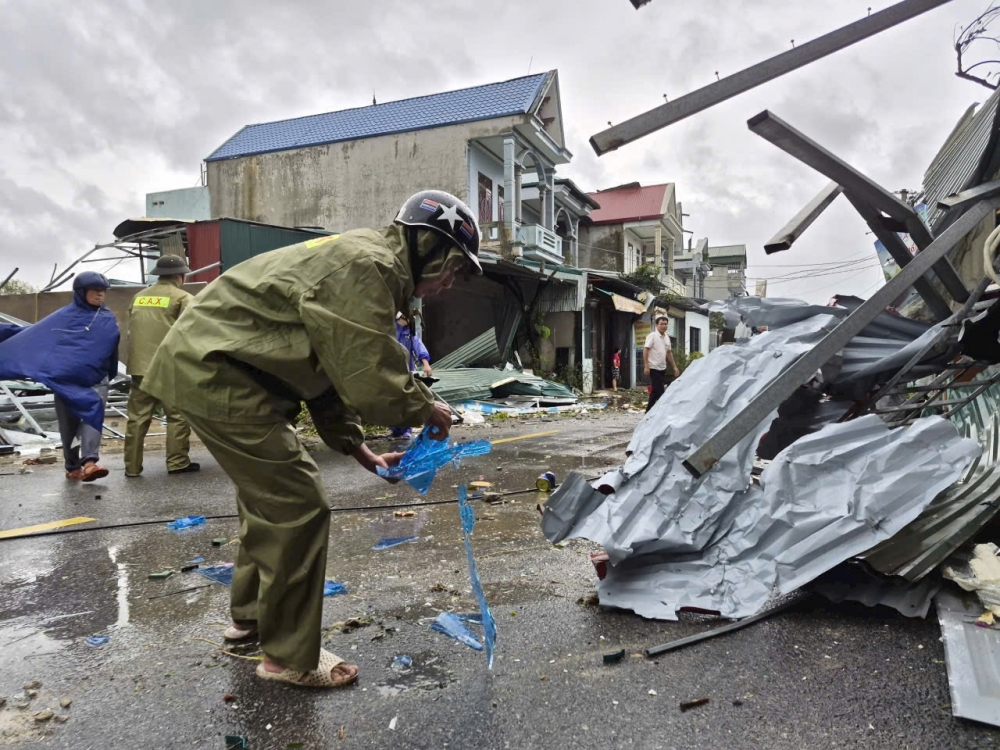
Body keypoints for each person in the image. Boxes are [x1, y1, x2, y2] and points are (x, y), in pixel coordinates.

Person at [141, 189, 481, 689]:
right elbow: (369, 375)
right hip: (220, 373)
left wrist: (358, 450)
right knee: (298, 503)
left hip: (216, 369)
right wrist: (424, 407)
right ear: (429, 247)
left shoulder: (365, 260)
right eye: (452, 268)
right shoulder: (371, 267)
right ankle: (287, 658)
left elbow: (329, 372)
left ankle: (250, 620)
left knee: (270, 500)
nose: (450, 283)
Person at [0, 272, 119, 481]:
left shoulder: (107, 318)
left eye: (103, 292)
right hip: (66, 381)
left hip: (96, 379)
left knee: (93, 416)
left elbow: (111, 347)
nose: (100, 296)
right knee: (69, 425)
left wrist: (111, 371)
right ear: (82, 293)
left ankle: (90, 462)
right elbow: (38, 336)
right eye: (95, 291)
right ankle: (72, 466)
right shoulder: (64, 317)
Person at [123, 255, 200, 477]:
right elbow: (190, 334)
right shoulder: (183, 298)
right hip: (169, 368)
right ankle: (177, 462)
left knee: (137, 418)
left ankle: (132, 467)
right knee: (177, 416)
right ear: (180, 275)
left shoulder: (138, 297)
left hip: (139, 368)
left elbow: (133, 330)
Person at [390, 311, 433, 441]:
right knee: (392, 401)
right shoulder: (390, 330)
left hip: (406, 372)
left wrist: (426, 364)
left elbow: (418, 346)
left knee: (407, 400)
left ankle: (406, 430)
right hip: (391, 372)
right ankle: (395, 430)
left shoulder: (410, 333)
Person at [643, 315, 679, 413]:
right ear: (657, 325)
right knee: (660, 391)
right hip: (653, 367)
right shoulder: (652, 336)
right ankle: (665, 412)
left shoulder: (666, 337)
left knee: (655, 391)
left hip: (662, 368)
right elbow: (646, 350)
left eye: (665, 324)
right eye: (661, 324)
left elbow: (669, 352)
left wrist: (674, 367)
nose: (664, 326)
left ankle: (648, 412)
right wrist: (646, 366)